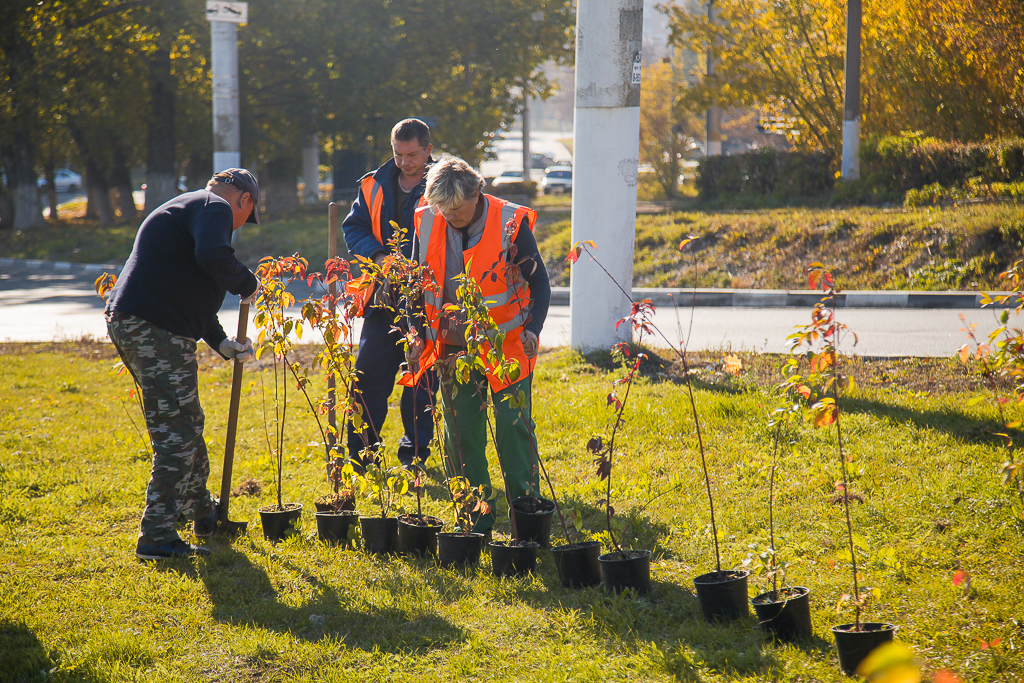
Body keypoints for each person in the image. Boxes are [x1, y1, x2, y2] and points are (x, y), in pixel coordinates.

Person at [105, 168, 261, 560]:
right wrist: (247, 282)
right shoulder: (214, 206)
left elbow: (188, 288)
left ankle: (203, 513)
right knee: (176, 431)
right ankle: (156, 536)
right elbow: (213, 256)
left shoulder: (190, 206)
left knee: (186, 423)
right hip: (153, 327)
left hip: (145, 323)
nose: (241, 225)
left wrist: (222, 342)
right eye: (249, 215)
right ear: (244, 199)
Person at [404, 156, 550, 534]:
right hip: (453, 346)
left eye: (456, 209)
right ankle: (476, 514)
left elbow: (540, 284)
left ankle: (526, 511)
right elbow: (415, 287)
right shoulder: (427, 218)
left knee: (512, 427)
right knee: (460, 429)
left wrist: (533, 328)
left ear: (477, 193)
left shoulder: (509, 223)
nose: (449, 216)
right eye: (443, 209)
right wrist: (414, 332)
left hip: (509, 345)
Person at [341, 118, 438, 469]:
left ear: (428, 149)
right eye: (398, 154)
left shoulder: (447, 182)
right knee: (366, 377)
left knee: (421, 383)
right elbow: (353, 227)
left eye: (412, 154)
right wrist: (379, 256)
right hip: (383, 299)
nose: (404, 161)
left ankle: (415, 455)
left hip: (430, 299)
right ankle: (362, 454)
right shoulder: (373, 184)